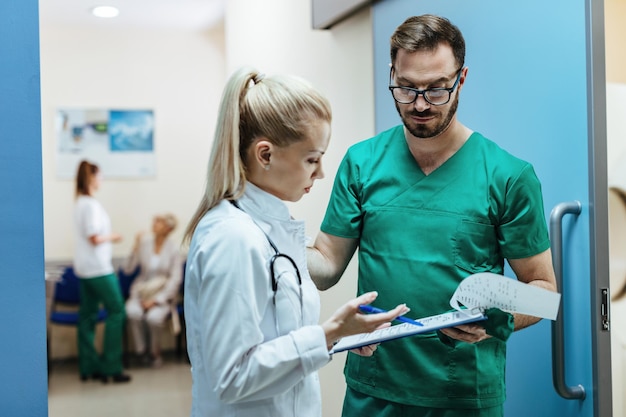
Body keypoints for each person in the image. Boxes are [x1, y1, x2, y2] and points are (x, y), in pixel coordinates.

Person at [306, 14, 558, 417]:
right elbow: (325, 266)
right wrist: (264, 234)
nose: (420, 104)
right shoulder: (361, 163)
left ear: (462, 78)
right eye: (406, 88)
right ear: (392, 73)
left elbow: (543, 292)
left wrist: (492, 321)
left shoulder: (508, 176)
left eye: (437, 89)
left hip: (461, 394)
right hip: (375, 389)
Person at [182, 67, 410, 417]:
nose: (319, 173)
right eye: (312, 160)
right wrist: (326, 334)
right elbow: (230, 378)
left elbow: (276, 342)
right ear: (266, 155)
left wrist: (337, 336)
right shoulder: (232, 237)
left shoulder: (270, 228)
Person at [73, 160, 131, 383]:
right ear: (91, 178)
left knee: (87, 317)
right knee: (117, 311)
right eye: (100, 176)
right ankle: (111, 367)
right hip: (98, 269)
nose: (102, 180)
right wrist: (114, 236)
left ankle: (88, 366)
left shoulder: (80, 203)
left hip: (84, 269)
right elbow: (95, 238)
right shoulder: (90, 205)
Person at [123, 213, 183, 368]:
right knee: (132, 312)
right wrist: (135, 246)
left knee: (154, 318)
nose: (154, 223)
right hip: (141, 292)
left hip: (161, 295)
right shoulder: (145, 244)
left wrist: (156, 300)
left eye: (159, 222)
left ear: (168, 228)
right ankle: (141, 350)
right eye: (154, 220)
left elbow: (175, 279)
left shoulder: (174, 249)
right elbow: (128, 269)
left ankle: (154, 352)